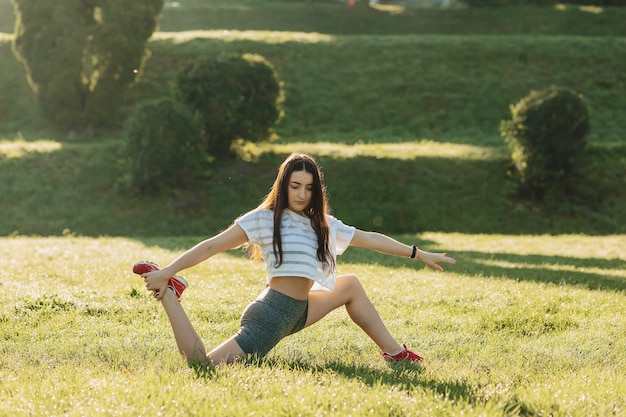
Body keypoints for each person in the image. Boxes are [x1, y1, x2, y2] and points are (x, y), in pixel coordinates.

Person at [134, 152, 456, 366]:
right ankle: (171, 294)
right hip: (272, 314)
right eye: (295, 186)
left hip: (299, 311)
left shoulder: (321, 225)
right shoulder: (264, 218)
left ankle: (396, 354)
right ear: (283, 186)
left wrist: (418, 253)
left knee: (350, 286)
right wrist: (169, 270)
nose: (302, 194)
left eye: (308, 188)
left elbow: (370, 238)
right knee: (202, 364)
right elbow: (211, 246)